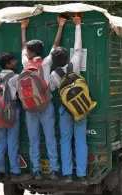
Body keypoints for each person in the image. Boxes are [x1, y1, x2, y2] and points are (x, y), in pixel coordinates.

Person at [21, 17, 66, 180]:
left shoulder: (26, 63)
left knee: (33, 138)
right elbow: (55, 46)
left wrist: (23, 28)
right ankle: (54, 169)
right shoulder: (46, 62)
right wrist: (60, 26)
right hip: (45, 104)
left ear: (30, 52)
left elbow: (23, 47)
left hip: (29, 106)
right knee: (50, 137)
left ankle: (37, 170)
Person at [50, 16, 88, 185]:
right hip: (80, 108)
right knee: (81, 140)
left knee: (65, 140)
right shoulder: (75, 64)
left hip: (65, 110)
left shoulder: (54, 75)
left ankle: (66, 174)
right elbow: (78, 48)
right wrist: (77, 26)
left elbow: (50, 90)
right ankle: (81, 174)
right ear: (67, 57)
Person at [0, 53, 32, 182]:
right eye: (13, 61)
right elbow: (20, 94)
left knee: (1, 142)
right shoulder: (15, 77)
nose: (15, 62)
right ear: (8, 64)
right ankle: (15, 171)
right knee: (12, 142)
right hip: (12, 111)